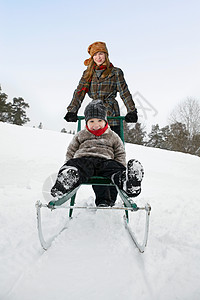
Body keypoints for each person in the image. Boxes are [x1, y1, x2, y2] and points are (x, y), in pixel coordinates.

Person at [64, 41, 138, 205]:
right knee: (93, 155)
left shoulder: (116, 72)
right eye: (96, 54)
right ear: (92, 57)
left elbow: (124, 92)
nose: (99, 57)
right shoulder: (87, 74)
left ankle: (114, 194)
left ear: (106, 55)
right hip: (94, 115)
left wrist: (132, 110)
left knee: (112, 155)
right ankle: (103, 198)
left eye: (101, 53)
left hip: (111, 115)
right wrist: (72, 110)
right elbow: (79, 92)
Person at [51, 100, 144, 207]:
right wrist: (68, 164)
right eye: (91, 122)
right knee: (76, 166)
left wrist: (120, 166)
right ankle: (65, 180)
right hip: (84, 160)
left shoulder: (112, 135)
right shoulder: (81, 135)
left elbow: (119, 152)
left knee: (114, 169)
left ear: (105, 121)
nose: (96, 125)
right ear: (86, 122)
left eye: (99, 120)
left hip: (105, 161)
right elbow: (71, 150)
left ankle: (127, 181)